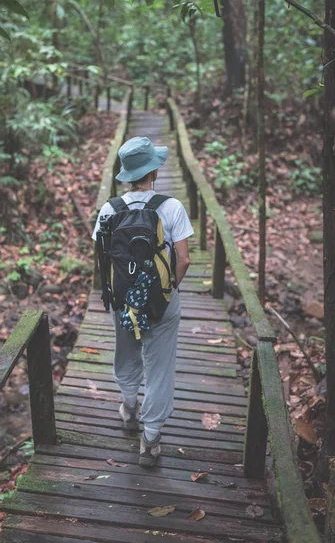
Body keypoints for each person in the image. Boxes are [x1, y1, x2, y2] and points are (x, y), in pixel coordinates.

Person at [92, 136, 193, 466]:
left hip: (122, 298)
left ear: (126, 174)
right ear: (155, 171)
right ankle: (150, 439)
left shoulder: (110, 208)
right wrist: (167, 291)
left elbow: (102, 257)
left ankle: (129, 407)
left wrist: (115, 295)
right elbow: (184, 259)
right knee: (160, 366)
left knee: (127, 349)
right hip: (161, 301)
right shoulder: (171, 207)